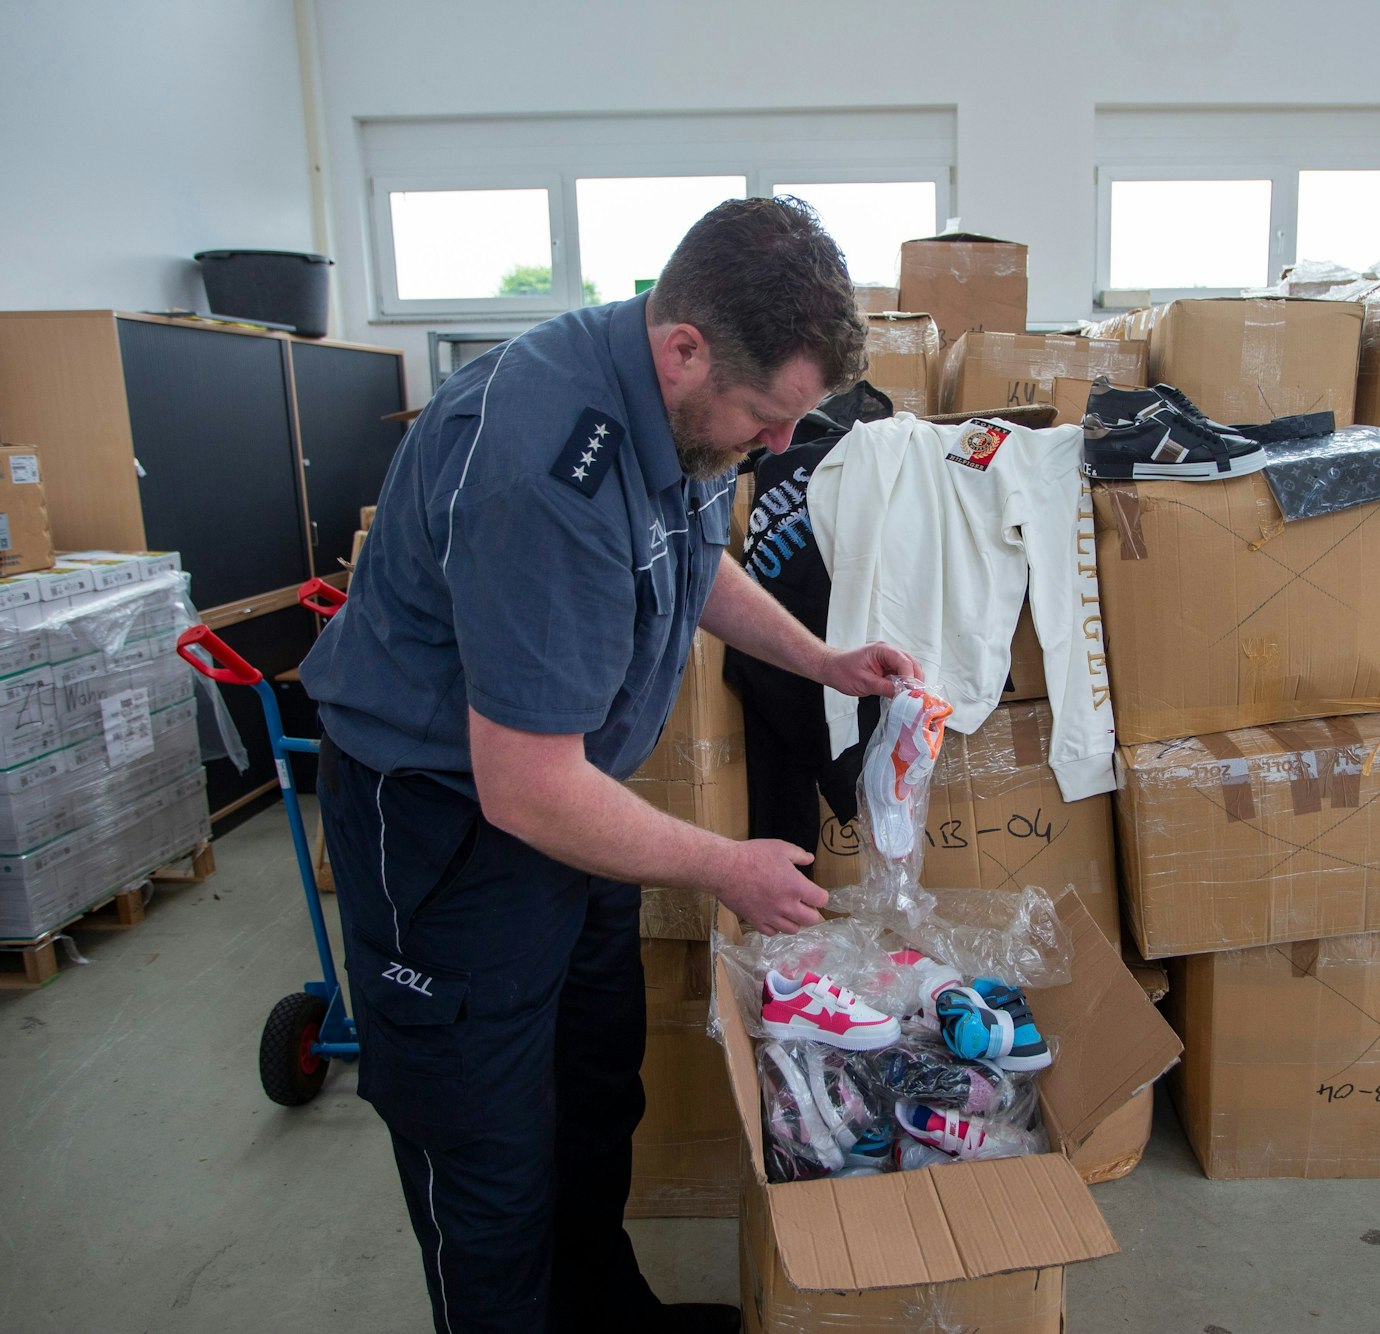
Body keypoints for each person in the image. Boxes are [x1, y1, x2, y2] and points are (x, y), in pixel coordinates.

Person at [300, 196, 919, 1334]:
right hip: (452, 833)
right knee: (487, 1146)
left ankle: (597, 1308)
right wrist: (725, 865)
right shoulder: (544, 460)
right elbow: (524, 785)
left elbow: (691, 555)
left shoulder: (675, 404)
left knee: (590, 1089)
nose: (778, 446)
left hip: (572, 812)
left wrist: (823, 659)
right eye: (767, 417)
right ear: (683, 348)